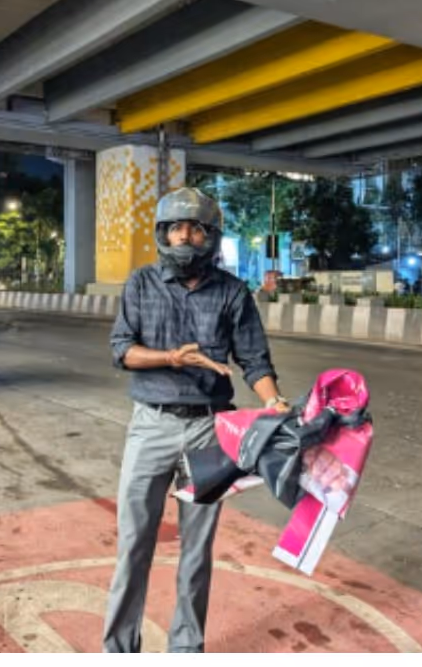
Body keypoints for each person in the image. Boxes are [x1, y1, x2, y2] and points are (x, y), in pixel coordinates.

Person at [105, 187, 288, 653]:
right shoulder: (141, 284)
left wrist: (274, 402)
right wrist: (171, 357)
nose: (185, 236)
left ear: (210, 236)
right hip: (151, 424)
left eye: (196, 228)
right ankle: (120, 649)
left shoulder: (232, 292)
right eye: (176, 227)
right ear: (162, 233)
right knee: (134, 542)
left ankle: (186, 649)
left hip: (209, 431)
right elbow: (121, 350)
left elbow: (254, 361)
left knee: (196, 548)